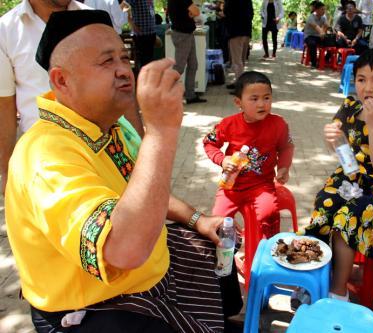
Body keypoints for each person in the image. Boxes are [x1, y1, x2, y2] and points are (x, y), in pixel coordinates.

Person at [5, 10, 244, 332]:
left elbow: (144, 188)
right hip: (92, 302)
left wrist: (198, 219)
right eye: (107, 62)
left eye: (124, 57)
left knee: (215, 248)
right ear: (62, 80)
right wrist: (160, 131)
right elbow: (122, 251)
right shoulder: (46, 156)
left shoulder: (110, 125)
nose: (125, 71)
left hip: (143, 265)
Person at [302, 49, 373, 301]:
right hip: (350, 178)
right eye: (361, 79)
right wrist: (331, 139)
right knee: (324, 204)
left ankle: (338, 290)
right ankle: (311, 274)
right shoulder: (349, 107)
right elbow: (340, 151)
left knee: (348, 216)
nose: (368, 87)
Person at [0, 0, 144, 195]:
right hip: (49, 161)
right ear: (59, 79)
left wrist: (144, 153)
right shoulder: (6, 30)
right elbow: (5, 108)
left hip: (106, 152)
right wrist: (8, 172)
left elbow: (121, 89)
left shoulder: (94, 17)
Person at [203, 71, 294, 239]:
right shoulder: (228, 124)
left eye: (267, 98)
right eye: (254, 99)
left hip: (262, 186)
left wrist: (283, 167)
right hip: (231, 186)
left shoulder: (278, 124)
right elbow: (209, 143)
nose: (262, 104)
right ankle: (227, 254)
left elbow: (286, 147)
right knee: (218, 221)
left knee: (269, 215)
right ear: (239, 102)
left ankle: (264, 251)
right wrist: (222, 160)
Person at [168, 0, 207, 104]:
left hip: (187, 33)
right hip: (182, 35)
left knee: (193, 65)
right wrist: (192, 12)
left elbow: (193, 12)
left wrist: (191, 12)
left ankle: (190, 95)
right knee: (179, 67)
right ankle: (166, 93)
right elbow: (196, 12)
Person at [224, 0, 253, 89]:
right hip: (246, 31)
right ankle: (238, 81)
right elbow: (251, 13)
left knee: (236, 61)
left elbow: (226, 12)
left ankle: (239, 86)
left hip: (235, 31)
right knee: (241, 60)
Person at [125, 0, 156, 74]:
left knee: (149, 61)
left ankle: (148, 81)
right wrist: (131, 23)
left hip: (151, 33)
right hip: (141, 34)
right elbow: (123, 5)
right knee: (142, 62)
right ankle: (142, 82)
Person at [304, 1, 329, 69]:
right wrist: (322, 33)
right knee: (312, 43)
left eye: (324, 9)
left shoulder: (323, 17)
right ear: (316, 10)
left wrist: (324, 32)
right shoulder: (311, 18)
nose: (324, 11)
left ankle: (325, 60)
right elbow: (316, 27)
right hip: (309, 36)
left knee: (331, 43)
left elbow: (327, 25)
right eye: (322, 9)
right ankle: (313, 63)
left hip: (318, 36)